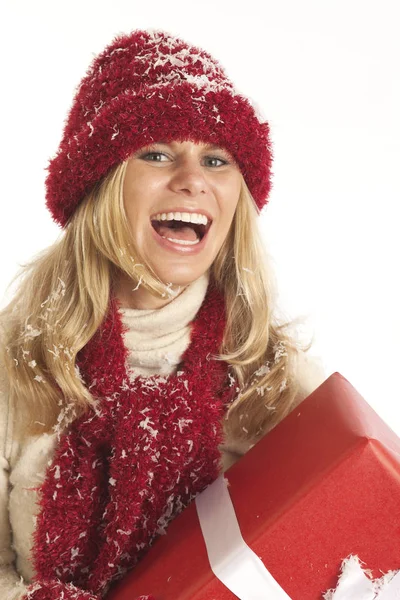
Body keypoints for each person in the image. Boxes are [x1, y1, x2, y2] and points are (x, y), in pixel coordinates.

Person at [0, 28, 326, 600]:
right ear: (99, 186)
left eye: (217, 159)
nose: (193, 179)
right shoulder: (12, 366)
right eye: (156, 153)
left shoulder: (276, 380)